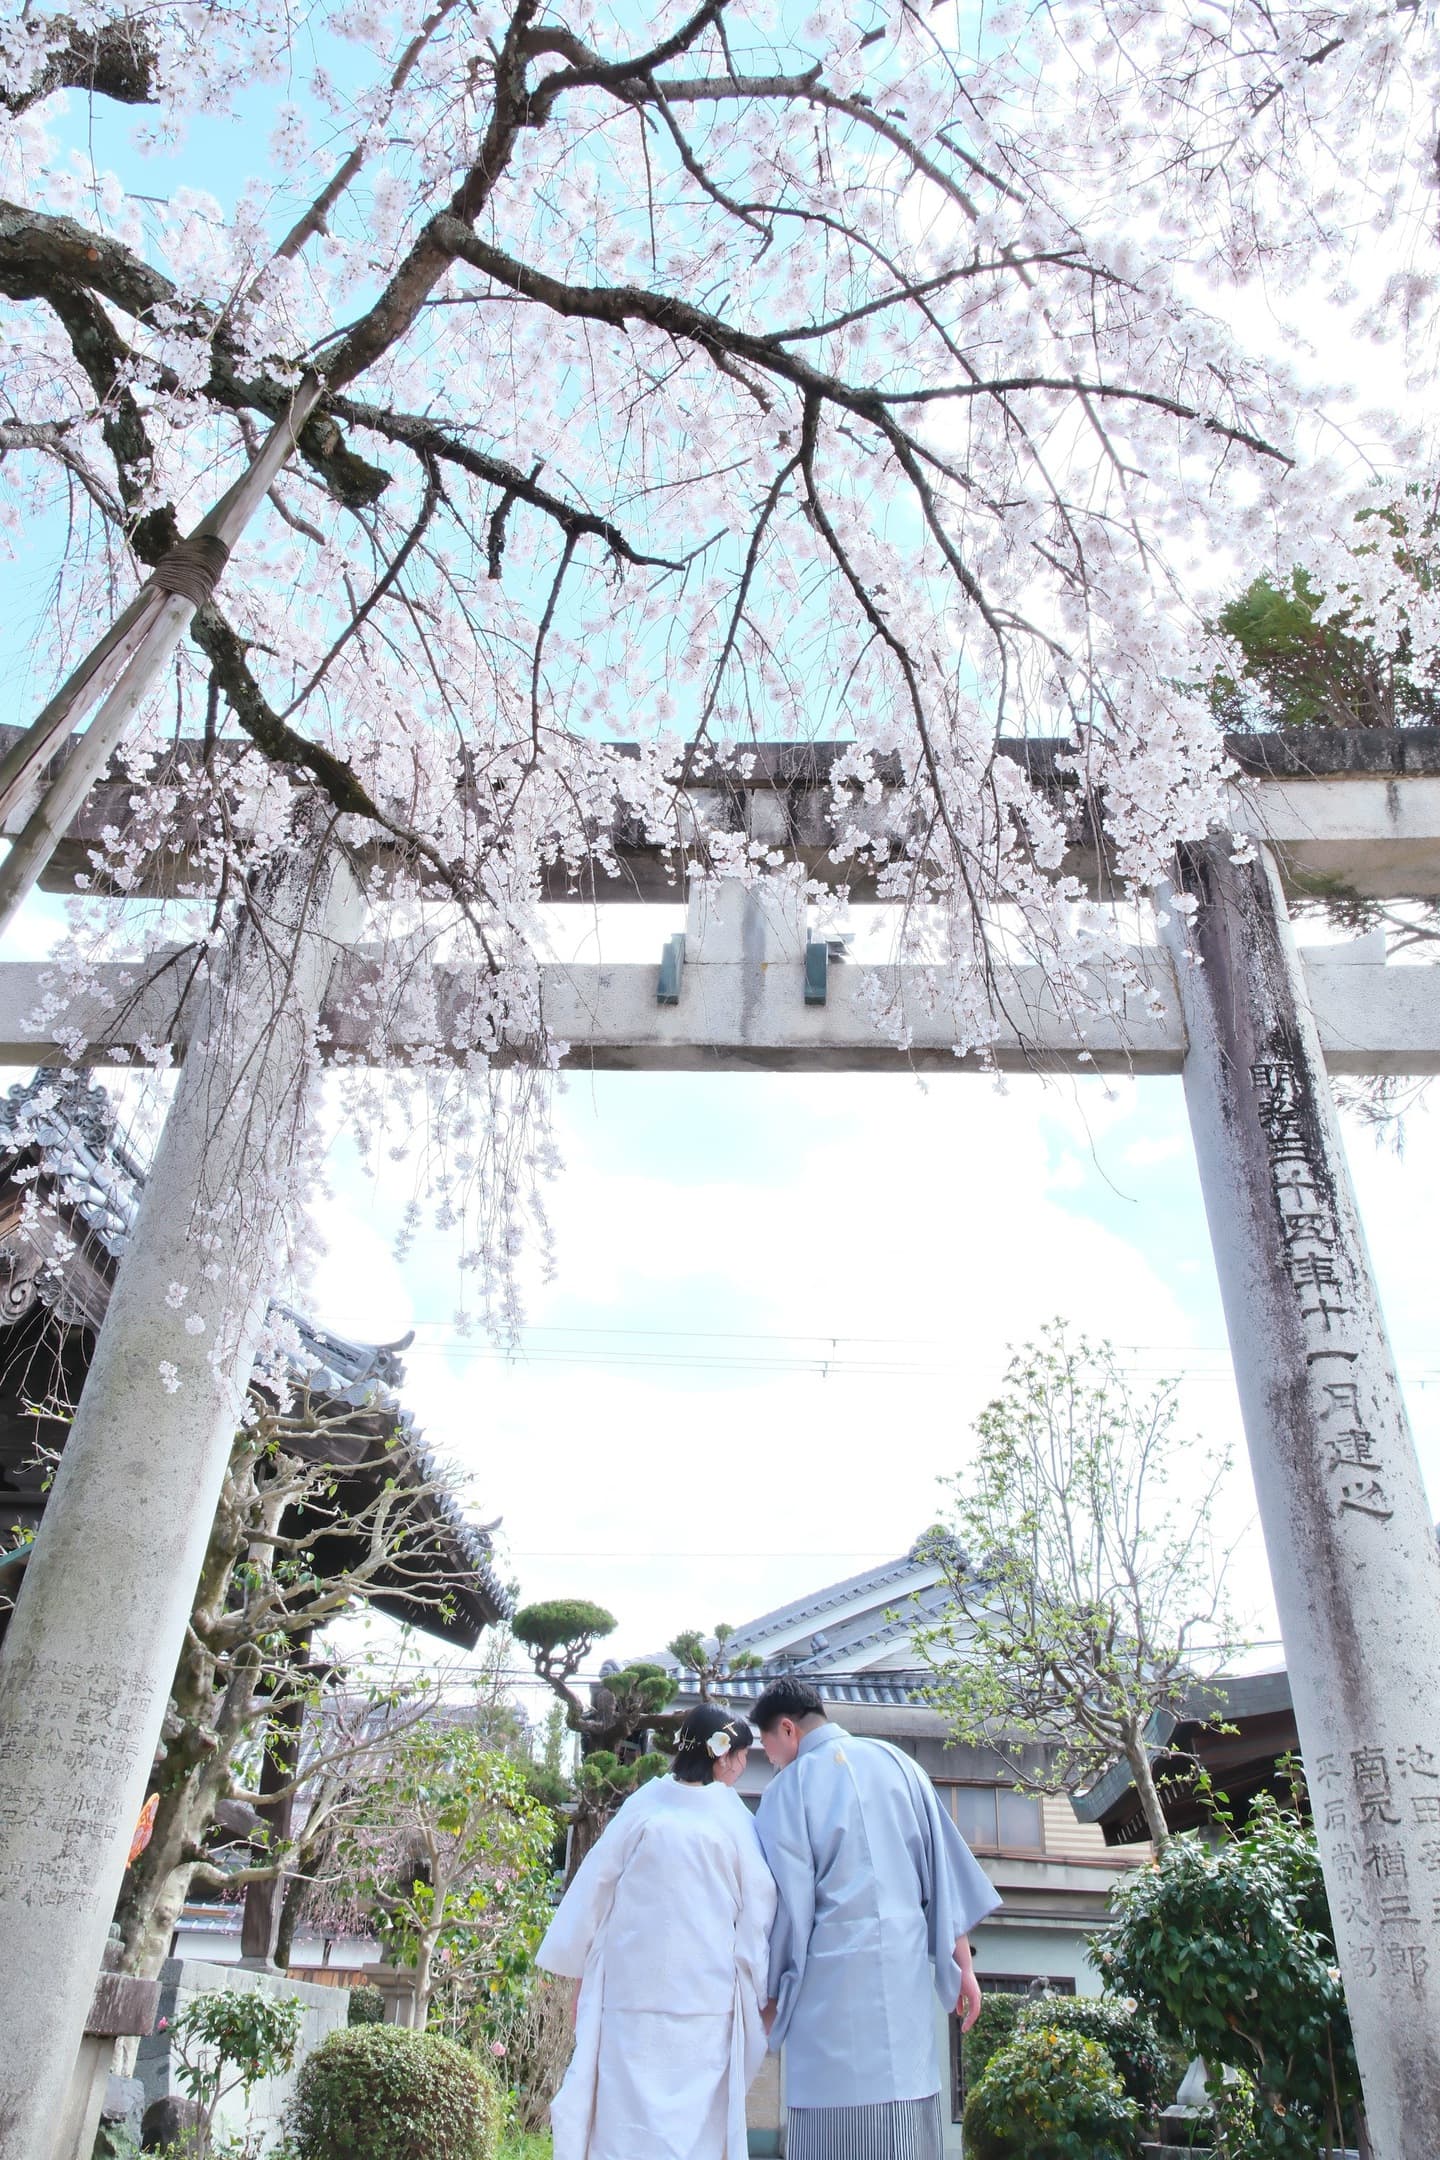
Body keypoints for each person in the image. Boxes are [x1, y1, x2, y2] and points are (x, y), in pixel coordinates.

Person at [752, 1677, 1001, 2160]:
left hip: (829, 1997)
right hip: (904, 1986)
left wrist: (770, 1994)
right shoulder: (899, 1764)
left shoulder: (788, 1790)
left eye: (767, 1745)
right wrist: (964, 1965)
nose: (770, 1758)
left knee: (832, 2136)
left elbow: (783, 1910)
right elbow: (942, 1874)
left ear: (787, 1729)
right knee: (907, 2126)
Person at [536, 1705, 777, 2160]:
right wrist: (758, 1987)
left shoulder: (644, 1805)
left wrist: (583, 1970)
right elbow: (758, 1911)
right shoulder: (732, 1818)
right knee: (692, 2131)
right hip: (703, 1999)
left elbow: (595, 1888)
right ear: (719, 1756)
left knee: (625, 2121)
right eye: (741, 1754)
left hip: (637, 1997)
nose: (744, 1764)